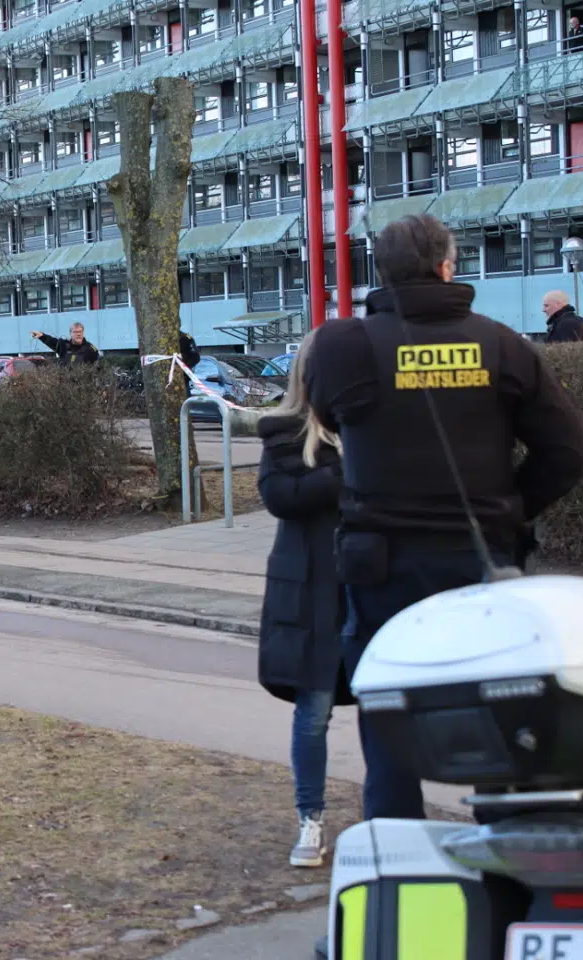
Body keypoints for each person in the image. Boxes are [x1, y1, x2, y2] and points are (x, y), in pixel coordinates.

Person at [305, 213, 583, 822]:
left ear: (379, 273)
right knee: (495, 713)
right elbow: (569, 452)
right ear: (446, 267)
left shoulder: (341, 346)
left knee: (387, 727)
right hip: (480, 561)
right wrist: (511, 507)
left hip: (380, 567)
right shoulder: (503, 344)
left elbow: (329, 418)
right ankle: (503, 868)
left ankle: (402, 868)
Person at [257, 332, 349, 869]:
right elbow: (280, 498)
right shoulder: (284, 434)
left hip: (368, 584)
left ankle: (393, 817)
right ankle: (310, 819)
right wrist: (345, 474)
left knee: (388, 710)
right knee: (313, 714)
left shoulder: (371, 427)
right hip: (312, 590)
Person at [30, 322, 100, 365]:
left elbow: (97, 369)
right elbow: (52, 341)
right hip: (65, 384)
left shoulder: (91, 349)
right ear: (70, 333)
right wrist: (42, 336)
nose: (78, 334)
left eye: (80, 332)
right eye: (75, 332)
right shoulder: (64, 346)